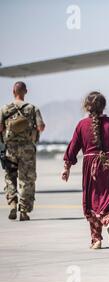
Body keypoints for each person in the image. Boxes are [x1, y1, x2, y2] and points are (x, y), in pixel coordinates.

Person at [62, 92, 109, 249]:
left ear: (87, 107)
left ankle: (96, 239)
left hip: (91, 167)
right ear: (103, 106)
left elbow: (73, 147)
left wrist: (66, 168)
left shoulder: (82, 125)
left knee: (92, 199)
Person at [0, 82, 45, 221]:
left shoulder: (4, 109)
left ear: (13, 91)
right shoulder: (32, 109)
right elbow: (40, 127)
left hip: (10, 149)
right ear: (25, 91)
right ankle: (24, 211)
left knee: (10, 177)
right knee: (27, 180)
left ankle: (13, 204)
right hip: (27, 150)